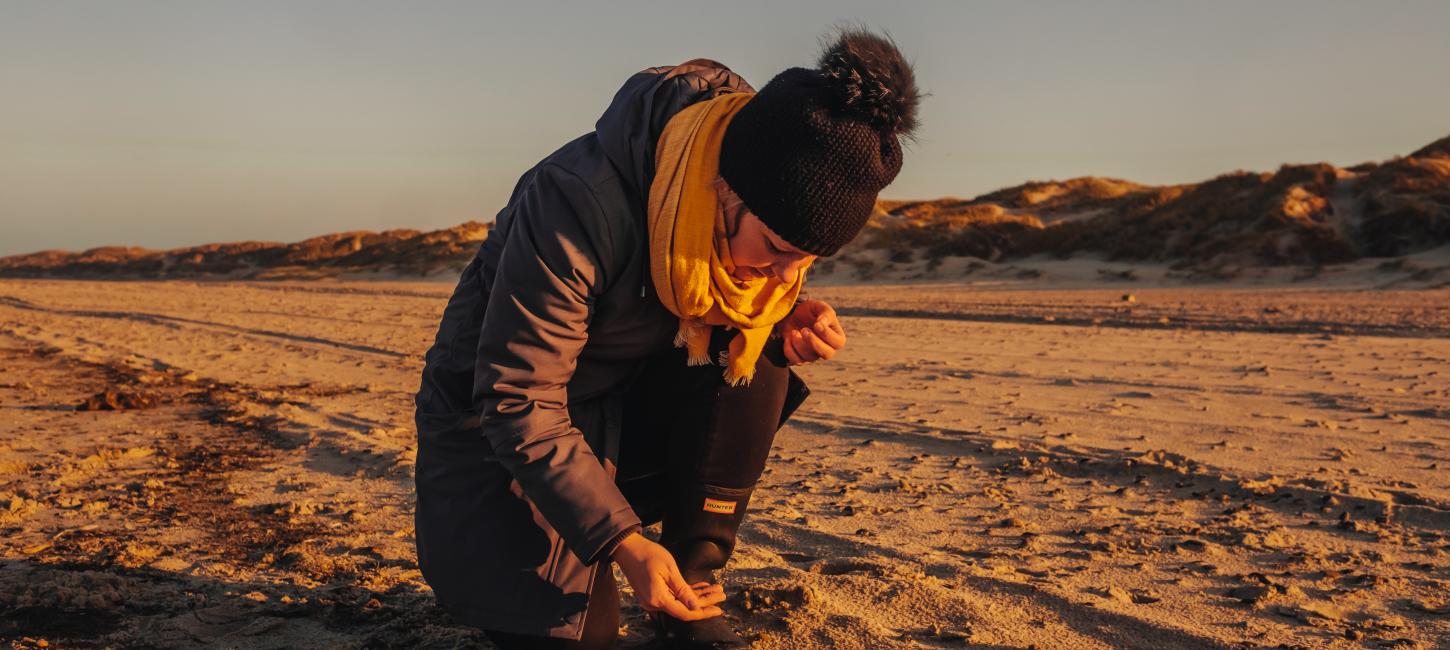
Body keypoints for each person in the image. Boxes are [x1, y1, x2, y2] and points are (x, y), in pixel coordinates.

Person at [413, 28, 920, 649]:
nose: (785, 276)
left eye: (805, 261)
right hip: (496, 441)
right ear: (724, 190)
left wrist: (781, 315)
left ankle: (690, 580)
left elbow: (725, 307)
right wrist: (626, 545)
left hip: (612, 416)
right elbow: (517, 400)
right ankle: (614, 564)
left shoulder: (737, 192)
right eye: (778, 251)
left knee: (756, 353)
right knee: (580, 637)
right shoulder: (577, 201)